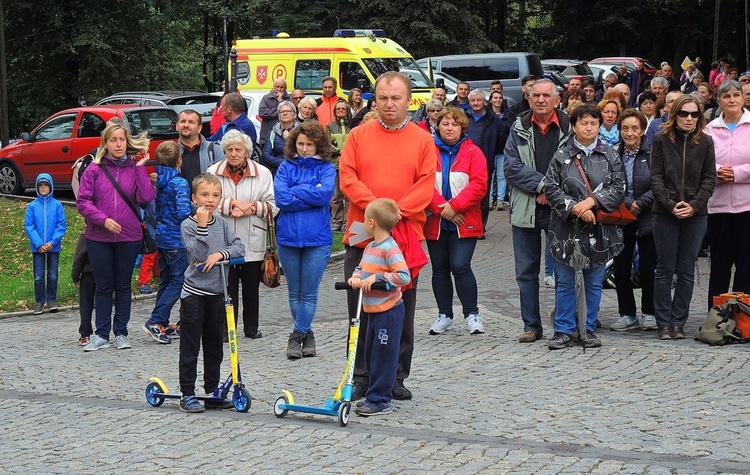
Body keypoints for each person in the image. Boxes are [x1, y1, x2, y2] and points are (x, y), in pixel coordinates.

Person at [339, 71, 436, 402]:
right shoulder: (358, 135)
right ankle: (361, 374)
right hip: (362, 235)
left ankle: (396, 375)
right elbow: (348, 178)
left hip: (404, 235)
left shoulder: (422, 140)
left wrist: (393, 216)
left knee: (401, 308)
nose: (389, 104)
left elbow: (425, 184)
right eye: (383, 98)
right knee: (360, 308)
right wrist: (377, 211)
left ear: (409, 100)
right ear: (374, 100)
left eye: (396, 98)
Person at [544, 104, 625, 349]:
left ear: (599, 126)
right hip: (566, 228)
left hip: (599, 228)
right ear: (575, 126)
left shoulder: (610, 154)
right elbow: (551, 187)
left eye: (593, 123)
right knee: (566, 281)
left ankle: (588, 328)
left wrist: (591, 203)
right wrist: (574, 207)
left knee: (593, 280)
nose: (589, 127)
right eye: (584, 123)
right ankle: (563, 330)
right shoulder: (561, 155)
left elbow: (619, 187)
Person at [77, 121, 155, 351]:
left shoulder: (135, 168)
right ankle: (101, 334)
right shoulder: (94, 169)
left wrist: (141, 167)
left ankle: (121, 332)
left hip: (129, 237)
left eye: (122, 139)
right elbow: (83, 202)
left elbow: (146, 198)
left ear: (127, 141)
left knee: (122, 286)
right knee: (103, 286)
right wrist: (103, 219)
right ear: (106, 143)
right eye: (113, 140)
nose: (118, 144)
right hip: (98, 236)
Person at [504, 79, 571, 343]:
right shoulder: (518, 127)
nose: (541, 99)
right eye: (536, 95)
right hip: (525, 208)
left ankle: (563, 324)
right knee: (526, 272)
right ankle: (531, 325)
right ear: (529, 100)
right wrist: (543, 185)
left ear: (557, 100)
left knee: (565, 268)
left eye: (546, 95)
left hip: (560, 209)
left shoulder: (569, 127)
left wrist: (551, 192)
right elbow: (510, 168)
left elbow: (574, 166)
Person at [178, 173, 246, 413]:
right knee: (191, 345)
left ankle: (211, 389)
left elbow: (239, 246)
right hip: (195, 294)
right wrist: (203, 226)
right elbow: (197, 253)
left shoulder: (223, 223)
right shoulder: (188, 225)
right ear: (194, 198)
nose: (210, 200)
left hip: (218, 292)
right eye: (205, 195)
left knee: (214, 344)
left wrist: (220, 255)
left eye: (215, 195)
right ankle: (187, 392)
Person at [650, 95, 716, 340]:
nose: (689, 118)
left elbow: (710, 179)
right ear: (674, 114)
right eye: (684, 114)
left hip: (696, 214)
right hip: (665, 212)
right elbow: (655, 177)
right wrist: (670, 204)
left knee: (687, 270)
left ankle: (678, 323)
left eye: (694, 114)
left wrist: (695, 205)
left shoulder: (706, 142)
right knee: (665, 268)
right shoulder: (660, 140)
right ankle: (663, 323)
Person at [274, 121, 336, 359]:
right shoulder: (285, 167)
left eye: (309, 144)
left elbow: (323, 196)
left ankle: (296, 336)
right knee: (294, 293)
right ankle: (307, 335)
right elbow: (282, 199)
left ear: (318, 144)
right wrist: (309, 190)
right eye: (300, 143)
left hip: (317, 238)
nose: (304, 148)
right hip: (288, 237)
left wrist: (296, 190)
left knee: (309, 293)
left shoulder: (327, 169)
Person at [424, 107, 488, 335]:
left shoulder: (473, 152)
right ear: (438, 126)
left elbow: (479, 184)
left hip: (464, 221)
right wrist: (443, 209)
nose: (449, 128)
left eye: (454, 124)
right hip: (436, 221)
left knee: (461, 266)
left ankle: (472, 314)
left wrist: (455, 206)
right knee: (439, 269)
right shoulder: (427, 151)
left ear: (462, 128)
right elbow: (422, 183)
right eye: (445, 124)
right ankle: (444, 315)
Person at [208, 129, 277, 340]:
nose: (234, 154)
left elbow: (273, 207)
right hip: (224, 238)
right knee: (226, 288)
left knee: (250, 288)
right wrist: (231, 205)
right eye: (229, 150)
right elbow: (206, 202)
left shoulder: (262, 173)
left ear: (246, 151)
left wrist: (250, 208)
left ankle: (251, 328)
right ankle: (227, 330)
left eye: (238, 149)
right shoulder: (213, 171)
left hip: (252, 236)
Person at [348, 198, 411, 417]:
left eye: (365, 218)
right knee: (371, 353)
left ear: (372, 223)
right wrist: (356, 277)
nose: (363, 222)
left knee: (384, 355)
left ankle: (381, 400)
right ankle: (373, 393)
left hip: (389, 311)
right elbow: (360, 268)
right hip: (372, 311)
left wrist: (378, 277)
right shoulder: (370, 247)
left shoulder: (389, 248)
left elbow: (403, 276)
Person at [610, 109, 657, 332]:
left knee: (649, 266)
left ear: (642, 130)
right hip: (621, 216)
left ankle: (650, 312)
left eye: (634, 128)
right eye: (625, 128)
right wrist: (629, 203)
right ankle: (627, 314)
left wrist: (642, 203)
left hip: (649, 214)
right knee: (621, 267)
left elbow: (661, 182)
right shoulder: (613, 154)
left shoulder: (654, 152)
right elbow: (610, 184)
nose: (630, 133)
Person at [705, 80, 750, 309]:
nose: (731, 100)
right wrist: (716, 172)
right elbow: (701, 162)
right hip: (719, 206)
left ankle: (743, 317)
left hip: (747, 207)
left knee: (746, 265)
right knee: (720, 266)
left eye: (736, 95)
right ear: (719, 100)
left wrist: (738, 173)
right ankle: (716, 317)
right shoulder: (709, 129)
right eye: (726, 96)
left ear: (743, 98)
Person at [142, 141, 192, 345]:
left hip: (161, 236)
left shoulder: (161, 179)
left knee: (165, 279)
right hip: (175, 239)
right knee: (178, 280)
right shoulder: (179, 182)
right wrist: (198, 210)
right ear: (179, 159)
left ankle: (161, 321)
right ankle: (155, 321)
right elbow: (183, 212)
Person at [25, 173, 67, 315]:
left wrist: (52, 242)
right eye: (41, 186)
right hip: (38, 248)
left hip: (53, 246)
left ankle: (51, 300)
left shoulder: (57, 205)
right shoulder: (32, 206)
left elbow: (61, 225)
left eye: (46, 185)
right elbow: (29, 226)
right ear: (37, 187)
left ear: (51, 187)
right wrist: (38, 244)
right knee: (38, 275)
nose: (43, 188)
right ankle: (39, 301)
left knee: (53, 274)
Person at [466, 89, 508, 231]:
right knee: (465, 194)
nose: (476, 103)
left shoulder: (493, 119)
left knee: (483, 198)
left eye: (479, 100)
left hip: (485, 162)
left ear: (485, 101)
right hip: (465, 163)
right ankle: (466, 224)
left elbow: (501, 139)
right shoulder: (463, 117)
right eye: (473, 100)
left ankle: (480, 227)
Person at [176, 109, 225, 188]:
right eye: (183, 121)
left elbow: (222, 182)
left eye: (191, 122)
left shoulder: (214, 150)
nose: (186, 125)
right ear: (176, 126)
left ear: (199, 128)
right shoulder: (171, 152)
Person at [328, 99, 353, 232]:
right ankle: (336, 221)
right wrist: (338, 152)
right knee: (337, 196)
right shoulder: (330, 126)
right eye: (339, 109)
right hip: (335, 165)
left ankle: (347, 222)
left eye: (343, 109)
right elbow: (326, 143)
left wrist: (346, 153)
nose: (341, 111)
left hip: (350, 165)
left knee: (349, 196)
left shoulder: (353, 126)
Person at [261, 101, 299, 176]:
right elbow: (266, 156)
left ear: (294, 115)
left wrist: (288, 139)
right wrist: (285, 163)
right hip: (278, 172)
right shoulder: (272, 133)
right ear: (278, 116)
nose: (285, 113)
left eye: (288, 111)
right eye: (281, 112)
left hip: (297, 172)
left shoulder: (301, 132)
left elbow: (302, 153)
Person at [489, 90, 511, 210]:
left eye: (500, 98)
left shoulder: (507, 114)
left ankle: (500, 200)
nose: (498, 100)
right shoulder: (487, 115)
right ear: (491, 100)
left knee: (501, 176)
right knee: (490, 176)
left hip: (502, 149)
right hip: (490, 149)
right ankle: (489, 199)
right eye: (495, 98)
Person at [72, 232, 94, 345]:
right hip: (104, 274)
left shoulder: (85, 236)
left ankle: (85, 335)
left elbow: (79, 257)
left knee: (85, 304)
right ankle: (103, 333)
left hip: (88, 274)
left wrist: (75, 276)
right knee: (103, 304)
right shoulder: (107, 235)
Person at [258, 78, 290, 146]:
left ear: (285, 88)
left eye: (281, 87)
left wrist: (281, 101)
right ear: (273, 87)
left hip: (284, 137)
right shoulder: (266, 98)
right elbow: (262, 113)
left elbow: (289, 114)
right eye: (277, 87)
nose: (279, 89)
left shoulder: (289, 99)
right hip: (267, 137)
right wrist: (280, 111)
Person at [136, 200, 159, 294]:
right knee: (150, 258)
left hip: (156, 232)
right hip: (153, 233)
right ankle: (143, 282)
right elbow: (154, 217)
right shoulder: (152, 198)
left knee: (157, 257)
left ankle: (156, 277)